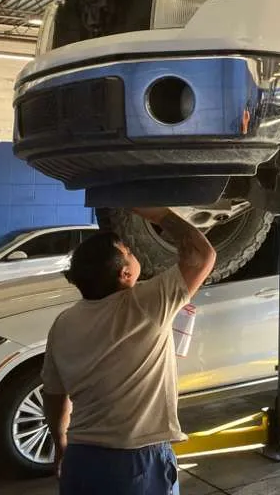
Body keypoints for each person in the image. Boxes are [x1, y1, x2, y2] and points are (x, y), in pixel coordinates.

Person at [41, 207, 216, 495]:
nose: (135, 254)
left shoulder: (64, 323)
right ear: (124, 274)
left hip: (81, 459)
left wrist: (61, 444)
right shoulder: (144, 305)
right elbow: (201, 254)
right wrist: (156, 212)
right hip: (134, 463)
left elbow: (54, 394)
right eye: (129, 251)